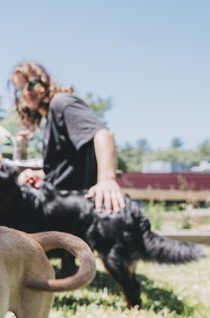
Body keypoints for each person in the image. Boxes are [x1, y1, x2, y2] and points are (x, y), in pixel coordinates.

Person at [11, 61, 126, 212]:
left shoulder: (62, 102)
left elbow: (102, 134)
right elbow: (63, 169)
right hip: (56, 203)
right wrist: (37, 174)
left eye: (31, 84)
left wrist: (107, 180)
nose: (26, 92)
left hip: (74, 207)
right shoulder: (50, 119)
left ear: (44, 81)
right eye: (20, 89)